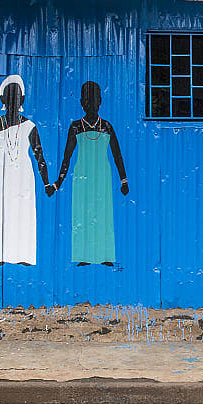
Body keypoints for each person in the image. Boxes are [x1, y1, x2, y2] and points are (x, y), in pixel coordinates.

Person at [0, 75, 54, 266]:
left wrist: (46, 183)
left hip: (23, 175)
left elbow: (40, 157)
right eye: (9, 95)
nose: (13, 99)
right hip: (0, 176)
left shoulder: (30, 126)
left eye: (17, 95)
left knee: (23, 212)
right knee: (0, 212)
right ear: (2, 99)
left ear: (22, 99)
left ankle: (24, 255)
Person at [53, 81, 129, 266]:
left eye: (94, 99)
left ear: (100, 101)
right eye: (87, 100)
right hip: (82, 176)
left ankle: (105, 256)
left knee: (103, 214)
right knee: (82, 214)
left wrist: (123, 180)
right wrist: (58, 183)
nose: (90, 104)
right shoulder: (75, 127)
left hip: (102, 175)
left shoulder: (107, 127)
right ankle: (83, 256)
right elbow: (67, 157)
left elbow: (117, 155)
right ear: (81, 102)